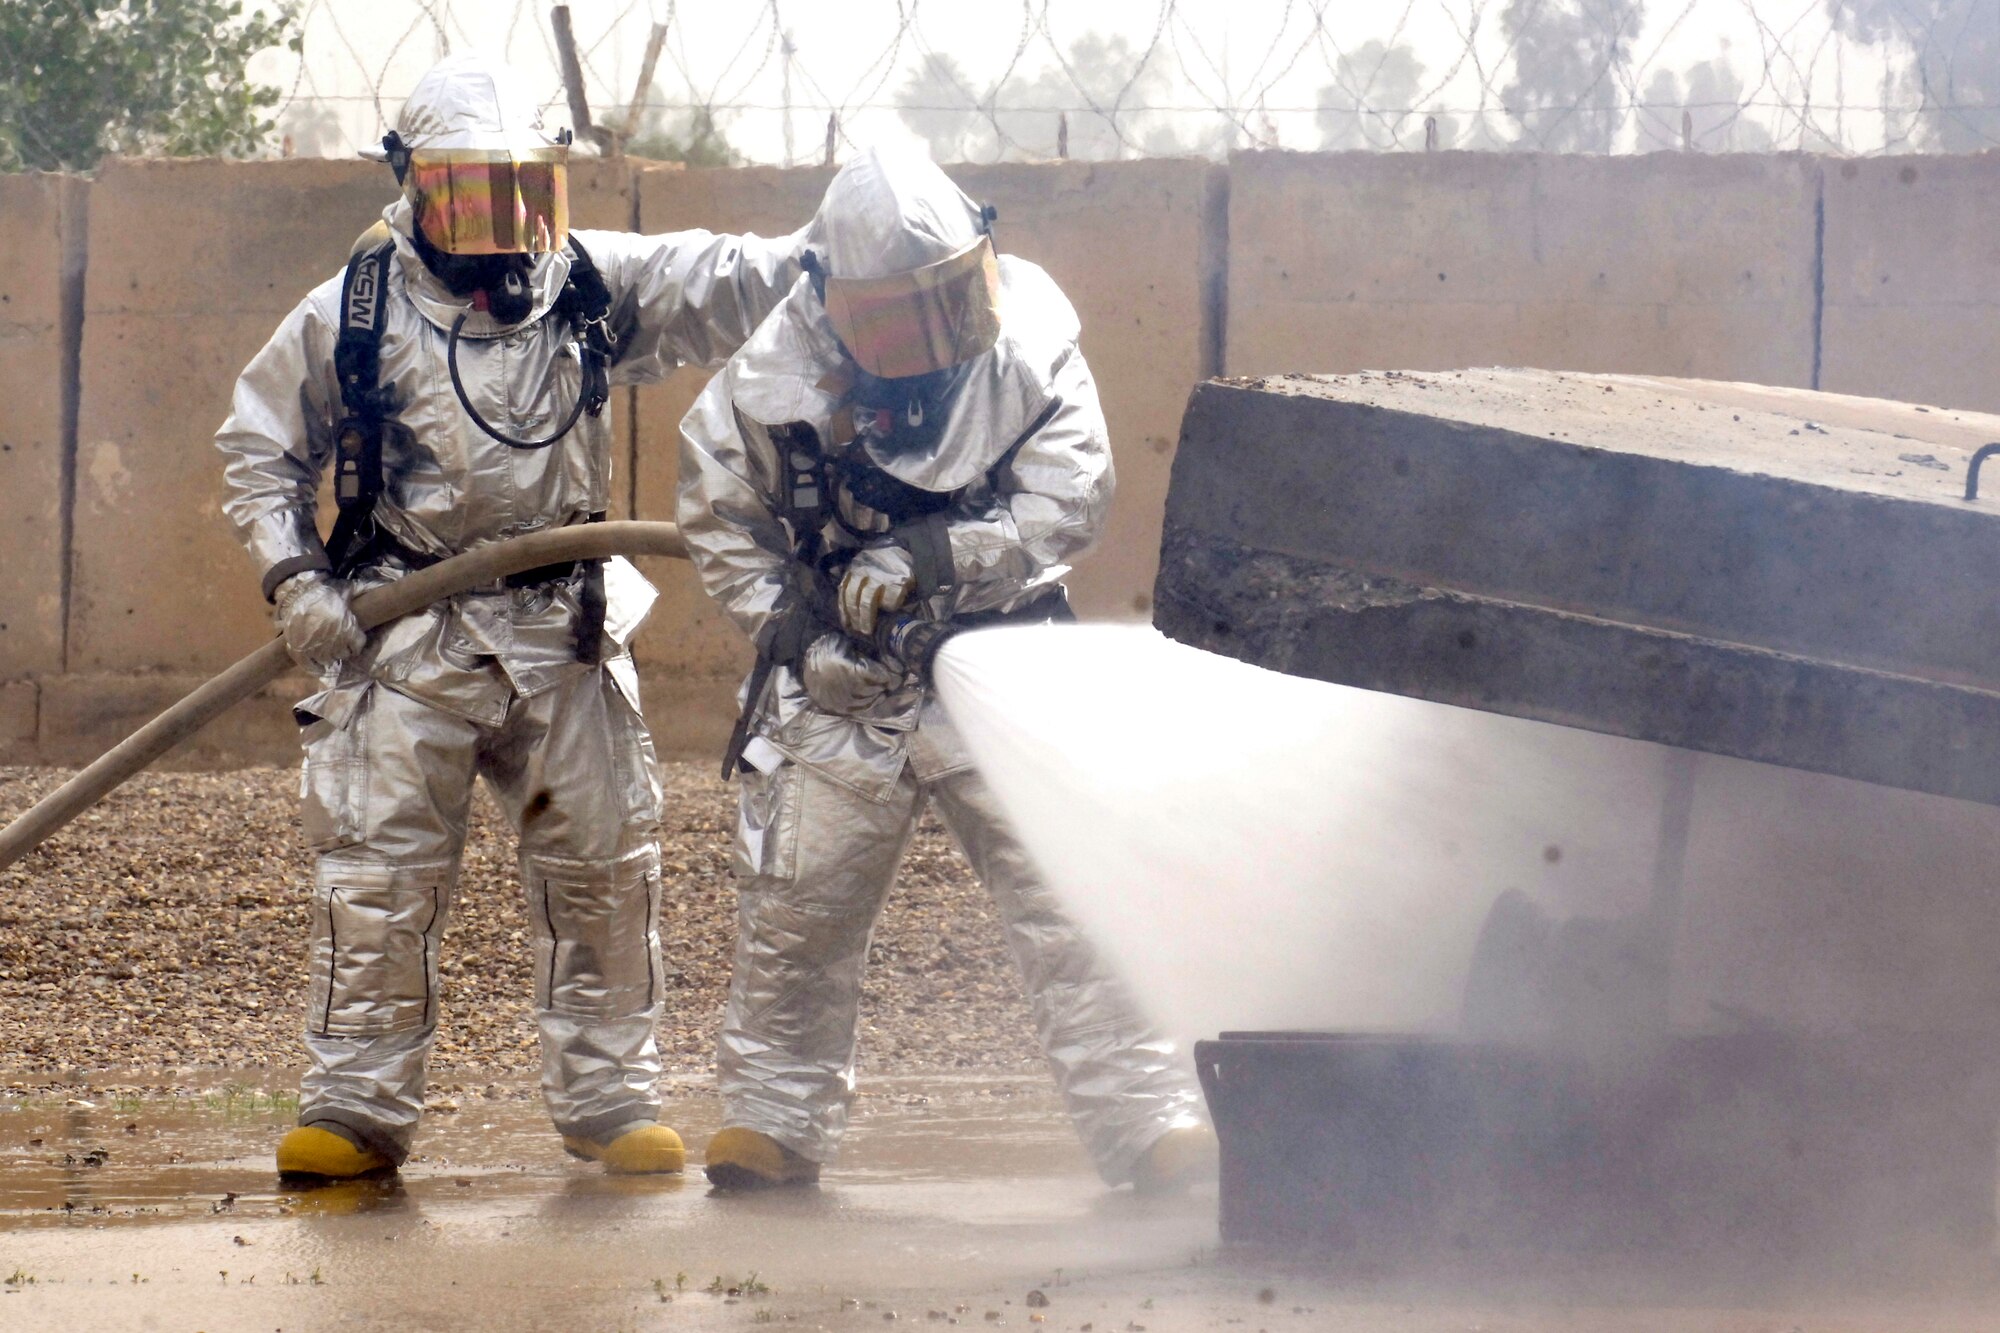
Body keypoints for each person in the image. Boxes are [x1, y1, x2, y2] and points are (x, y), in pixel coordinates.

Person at [214, 52, 800, 1180]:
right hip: (407, 631)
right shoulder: (355, 312)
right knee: (377, 877)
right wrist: (297, 583)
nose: (500, 232)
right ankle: (353, 1108)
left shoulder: (586, 290)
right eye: (468, 198)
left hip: (566, 628)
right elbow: (257, 451)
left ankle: (610, 1102)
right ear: (411, 185)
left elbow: (720, 276)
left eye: (523, 195)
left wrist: (843, 261)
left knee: (603, 869)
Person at [677, 145, 1213, 1192]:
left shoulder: (1032, 343)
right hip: (842, 680)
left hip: (1000, 652)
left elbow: (1070, 498)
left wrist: (938, 558)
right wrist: (802, 641)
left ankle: (1146, 1115)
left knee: (1071, 888)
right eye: (892, 320)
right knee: (801, 898)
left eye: (946, 305)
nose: (924, 341)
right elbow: (722, 525)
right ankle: (772, 1120)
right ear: (832, 303)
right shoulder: (766, 385)